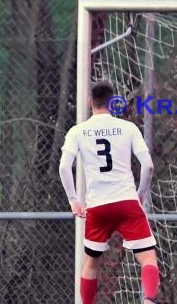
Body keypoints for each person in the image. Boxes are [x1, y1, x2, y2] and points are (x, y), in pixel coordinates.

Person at [58, 81, 160, 304]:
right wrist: (141, 193)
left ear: (89, 102)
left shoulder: (77, 131)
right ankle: (149, 301)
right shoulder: (128, 128)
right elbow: (148, 165)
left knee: (91, 263)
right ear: (113, 102)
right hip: (126, 202)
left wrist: (74, 199)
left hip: (97, 206)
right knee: (148, 259)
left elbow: (64, 167)